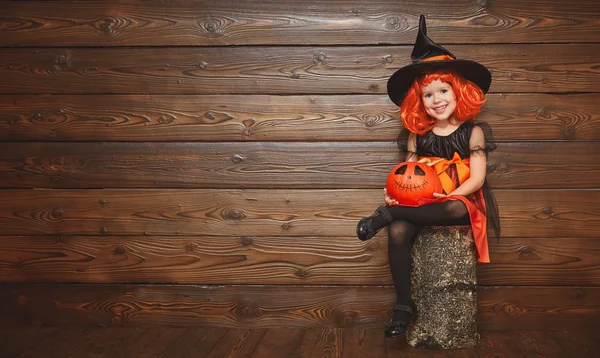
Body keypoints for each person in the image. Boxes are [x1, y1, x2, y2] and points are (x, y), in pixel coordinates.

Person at [356, 15, 500, 339]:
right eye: (428, 95)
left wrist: (451, 195)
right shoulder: (416, 137)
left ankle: (387, 215)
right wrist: (393, 196)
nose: (437, 100)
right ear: (417, 101)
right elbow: (405, 176)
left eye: (443, 90)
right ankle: (403, 307)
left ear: (458, 91)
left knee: (455, 209)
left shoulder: (472, 132)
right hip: (420, 202)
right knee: (397, 229)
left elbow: (476, 180)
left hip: (457, 200)